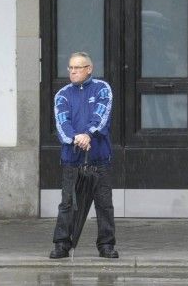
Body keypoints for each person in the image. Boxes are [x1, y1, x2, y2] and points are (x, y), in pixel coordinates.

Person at [49, 52, 119, 259]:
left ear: (89, 69)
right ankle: (62, 244)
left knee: (104, 204)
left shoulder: (102, 89)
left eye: (77, 68)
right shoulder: (62, 94)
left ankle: (106, 245)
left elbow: (102, 115)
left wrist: (88, 133)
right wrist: (76, 138)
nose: (72, 71)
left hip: (99, 158)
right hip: (72, 158)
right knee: (68, 203)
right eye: (70, 67)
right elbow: (62, 123)